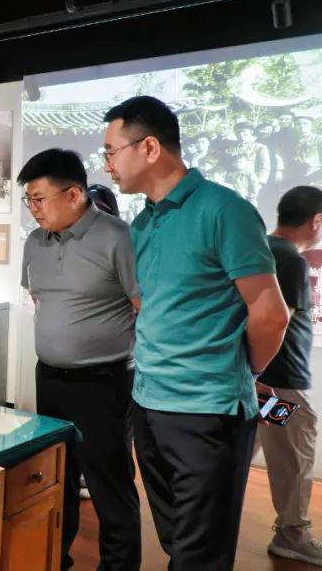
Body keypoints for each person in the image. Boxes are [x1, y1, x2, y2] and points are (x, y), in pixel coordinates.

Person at [102, 95, 289, 570]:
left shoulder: (224, 210)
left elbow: (270, 314)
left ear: (149, 148)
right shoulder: (142, 223)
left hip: (207, 411)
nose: (106, 165)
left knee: (199, 554)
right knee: (176, 540)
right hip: (148, 405)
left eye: (111, 152)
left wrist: (241, 371)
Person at [19, 149, 141, 571]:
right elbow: (39, 299)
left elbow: (143, 306)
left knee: (109, 482)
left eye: (39, 199)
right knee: (57, 477)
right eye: (28, 200)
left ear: (73, 195)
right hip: (50, 379)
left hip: (103, 383)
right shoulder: (34, 242)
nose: (33, 209)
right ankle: (56, 560)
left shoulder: (117, 237)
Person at [256, 186, 322, 566]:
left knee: (252, 449)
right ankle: (292, 535)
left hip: (266, 383)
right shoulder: (289, 260)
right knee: (294, 457)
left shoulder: (265, 249)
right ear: (316, 220)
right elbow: (274, 323)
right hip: (281, 385)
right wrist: (260, 378)